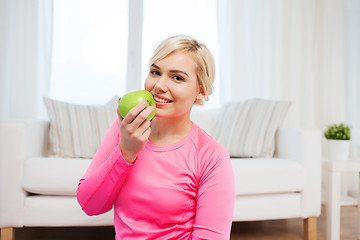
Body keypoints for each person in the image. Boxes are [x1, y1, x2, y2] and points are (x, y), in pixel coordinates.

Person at [77, 35, 235, 239]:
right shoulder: (125, 130)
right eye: (155, 72)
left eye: (177, 77)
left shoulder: (211, 156)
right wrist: (126, 152)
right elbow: (90, 205)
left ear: (201, 90)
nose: (159, 85)